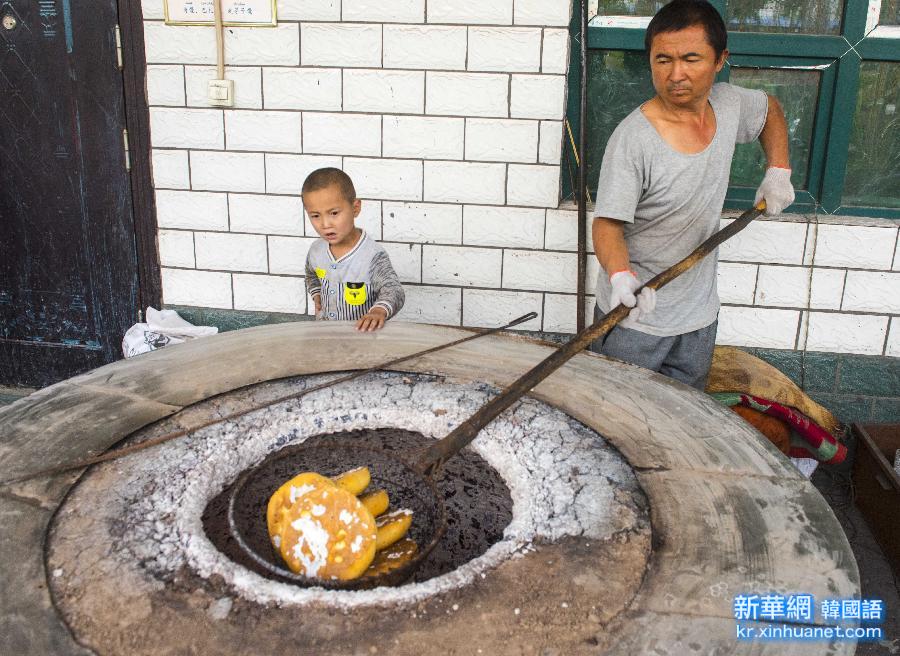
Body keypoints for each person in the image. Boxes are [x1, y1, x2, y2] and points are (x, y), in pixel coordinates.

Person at [589, 0, 794, 389]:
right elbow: (607, 224)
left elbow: (770, 109)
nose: (676, 74)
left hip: (699, 317)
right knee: (623, 420)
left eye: (691, 58)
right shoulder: (634, 140)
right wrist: (619, 278)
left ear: (720, 61)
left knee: (684, 419)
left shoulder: (729, 103)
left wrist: (778, 171)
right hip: (636, 316)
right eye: (663, 59)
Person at [302, 167, 405, 331]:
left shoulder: (372, 256)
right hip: (324, 335)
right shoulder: (316, 250)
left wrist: (379, 311)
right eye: (315, 216)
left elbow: (393, 290)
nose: (325, 224)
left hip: (361, 339)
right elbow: (311, 274)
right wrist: (316, 294)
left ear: (355, 208)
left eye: (334, 213)